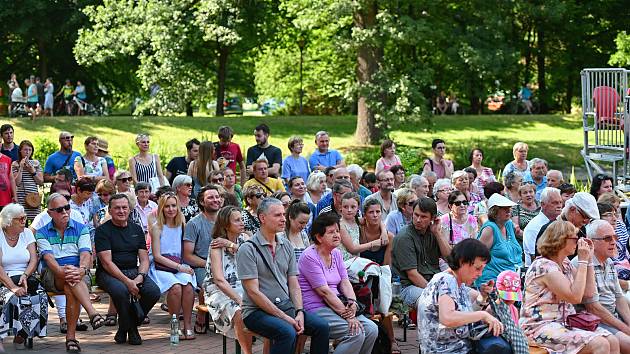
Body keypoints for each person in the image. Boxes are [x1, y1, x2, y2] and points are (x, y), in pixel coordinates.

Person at [237, 197, 329, 354]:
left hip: (285, 306)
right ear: (262, 218)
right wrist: (285, 317)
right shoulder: (248, 249)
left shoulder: (286, 244)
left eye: (283, 214)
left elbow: (294, 284)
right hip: (256, 312)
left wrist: (299, 311)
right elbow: (253, 292)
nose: (283, 219)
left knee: (322, 327)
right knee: (287, 332)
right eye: (277, 215)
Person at [521, 220, 619, 353]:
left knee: (612, 340)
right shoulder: (543, 266)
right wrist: (582, 260)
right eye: (575, 238)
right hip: (538, 328)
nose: (578, 242)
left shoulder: (565, 264)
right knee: (600, 344)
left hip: (564, 323)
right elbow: (575, 297)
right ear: (561, 240)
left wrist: (589, 259)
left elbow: (589, 293)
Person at [298, 212, 378, 354]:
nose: (336, 235)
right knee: (355, 332)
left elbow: (345, 281)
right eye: (330, 232)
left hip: (338, 303)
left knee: (372, 329)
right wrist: (348, 315)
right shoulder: (309, 256)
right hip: (316, 307)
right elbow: (324, 292)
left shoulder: (336, 253)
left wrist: (352, 302)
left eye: (337, 231)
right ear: (318, 237)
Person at [36, 193, 106, 353]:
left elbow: (86, 254)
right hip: (53, 274)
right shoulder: (41, 232)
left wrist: (81, 270)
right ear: (50, 213)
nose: (65, 212)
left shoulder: (81, 229)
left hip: (78, 274)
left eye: (67, 207)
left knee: (70, 286)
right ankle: (92, 313)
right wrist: (64, 270)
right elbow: (49, 259)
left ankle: (71, 338)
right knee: (68, 277)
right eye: (59, 210)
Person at [95, 194, 161, 345]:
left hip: (133, 270)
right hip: (108, 273)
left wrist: (140, 277)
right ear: (110, 211)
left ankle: (125, 327)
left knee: (153, 292)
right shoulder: (102, 231)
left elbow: (144, 259)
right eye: (117, 208)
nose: (121, 211)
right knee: (121, 291)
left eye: (124, 207)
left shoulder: (137, 229)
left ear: (130, 210)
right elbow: (106, 263)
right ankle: (132, 330)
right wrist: (128, 282)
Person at [417, 238, 503, 353]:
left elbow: (464, 317)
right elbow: (447, 318)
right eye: (477, 268)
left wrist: (482, 297)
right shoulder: (446, 280)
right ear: (462, 262)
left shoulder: (458, 283)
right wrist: (483, 315)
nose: (480, 274)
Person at [572, 220, 630, 352]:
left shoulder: (609, 262)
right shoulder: (582, 263)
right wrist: (625, 328)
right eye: (607, 238)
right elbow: (593, 308)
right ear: (591, 242)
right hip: (596, 322)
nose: (614, 242)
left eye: (615, 237)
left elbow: (619, 297)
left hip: (612, 317)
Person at [147, 193, 196, 340]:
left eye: (174, 205)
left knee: (187, 286)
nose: (171, 209)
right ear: (161, 208)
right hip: (161, 266)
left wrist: (183, 266)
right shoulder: (157, 227)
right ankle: (175, 326)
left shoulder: (182, 225)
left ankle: (187, 324)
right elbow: (157, 256)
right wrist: (179, 267)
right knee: (175, 288)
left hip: (178, 264)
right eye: (167, 206)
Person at [203, 206, 252, 352]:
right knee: (239, 311)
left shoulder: (245, 238)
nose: (242, 223)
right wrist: (239, 299)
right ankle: (247, 352)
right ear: (225, 224)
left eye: (241, 219)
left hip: (243, 285)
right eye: (237, 220)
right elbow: (218, 280)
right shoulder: (216, 245)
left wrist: (231, 245)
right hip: (219, 290)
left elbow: (253, 257)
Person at [391, 197, 452, 311]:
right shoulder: (404, 237)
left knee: (471, 295)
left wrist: (437, 233)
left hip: (434, 281)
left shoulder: (433, 232)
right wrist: (435, 292)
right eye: (416, 215)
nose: (418, 220)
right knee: (435, 304)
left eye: (423, 217)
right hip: (409, 287)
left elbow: (451, 259)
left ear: (433, 218)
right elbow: (413, 275)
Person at [0, 204, 47, 350]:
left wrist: (25, 275)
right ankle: (1, 336)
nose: (24, 221)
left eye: (25, 218)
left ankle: (22, 334)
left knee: (40, 297)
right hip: (4, 278)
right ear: (8, 221)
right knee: (10, 298)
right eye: (20, 219)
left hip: (25, 276)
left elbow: (33, 259)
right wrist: (13, 287)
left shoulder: (27, 233)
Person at [183, 185, 222, 332]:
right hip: (202, 264)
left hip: (227, 263)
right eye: (210, 197)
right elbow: (187, 255)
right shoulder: (194, 224)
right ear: (202, 202)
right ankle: (201, 314)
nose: (215, 200)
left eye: (217, 197)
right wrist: (210, 264)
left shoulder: (226, 220)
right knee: (209, 284)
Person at [534, 192, 600, 259]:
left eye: (589, 219)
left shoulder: (581, 230)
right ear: (572, 209)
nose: (586, 221)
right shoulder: (550, 229)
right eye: (584, 216)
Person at [475, 194, 523, 287]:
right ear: (495, 211)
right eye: (504, 208)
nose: (508, 210)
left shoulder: (508, 224)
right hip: (492, 281)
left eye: (509, 207)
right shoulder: (489, 229)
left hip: (513, 279)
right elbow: (477, 256)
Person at [523, 187, 563, 266]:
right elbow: (534, 256)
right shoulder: (534, 226)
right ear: (543, 204)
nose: (559, 206)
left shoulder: (559, 221)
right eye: (554, 203)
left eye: (560, 202)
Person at [11, 140, 43, 222]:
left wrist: (33, 171)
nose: (27, 152)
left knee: (35, 222)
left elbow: (40, 182)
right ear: (20, 151)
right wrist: (21, 167)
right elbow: (17, 183)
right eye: (25, 150)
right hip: (21, 197)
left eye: (30, 150)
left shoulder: (36, 163)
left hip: (33, 198)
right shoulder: (15, 164)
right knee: (21, 220)